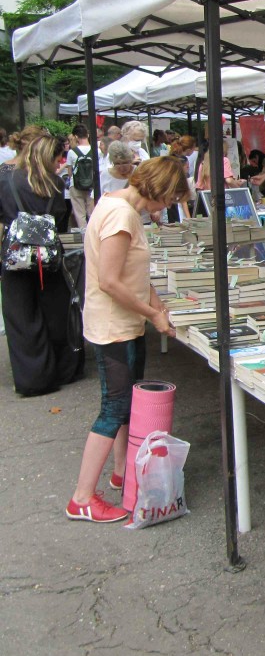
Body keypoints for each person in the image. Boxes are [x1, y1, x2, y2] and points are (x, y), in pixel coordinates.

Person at [65, 156, 188, 523]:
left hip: (122, 323)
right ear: (159, 189)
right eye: (169, 198)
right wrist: (152, 313)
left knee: (125, 404)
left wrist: (157, 305)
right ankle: (82, 497)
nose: (166, 206)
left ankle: (122, 472)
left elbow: (132, 272)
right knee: (114, 407)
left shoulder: (119, 206)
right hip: (113, 326)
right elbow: (109, 280)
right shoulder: (121, 215)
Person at [0, 135, 84, 396]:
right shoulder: (55, 184)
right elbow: (59, 220)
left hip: (15, 257)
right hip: (49, 257)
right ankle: (64, 369)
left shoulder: (6, 179)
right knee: (55, 314)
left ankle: (33, 378)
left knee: (21, 319)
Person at [64, 124, 96, 228]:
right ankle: (94, 232)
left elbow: (70, 172)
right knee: (92, 212)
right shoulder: (96, 150)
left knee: (79, 214)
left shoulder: (71, 152)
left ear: (76, 137)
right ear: (88, 135)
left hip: (76, 185)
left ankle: (84, 234)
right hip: (92, 185)